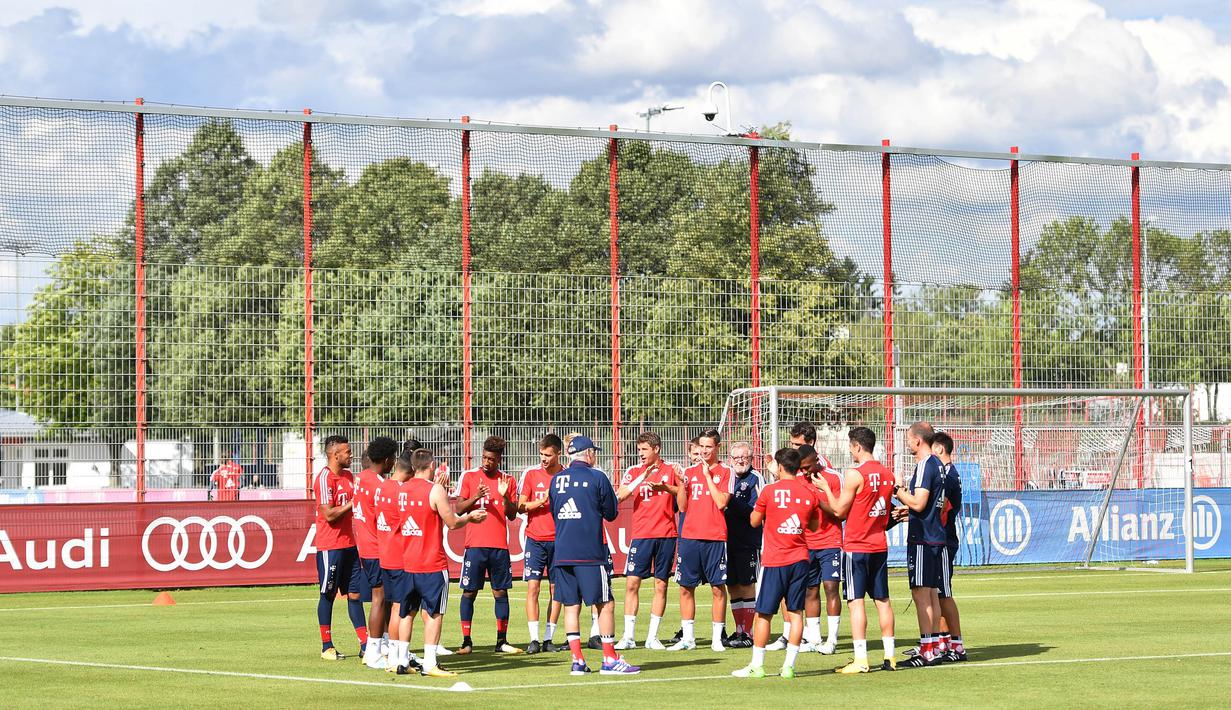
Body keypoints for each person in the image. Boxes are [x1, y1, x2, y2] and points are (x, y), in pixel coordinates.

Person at [549, 435, 639, 675]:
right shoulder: (597, 476)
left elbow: (554, 511)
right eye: (594, 452)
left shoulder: (556, 480)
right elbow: (611, 513)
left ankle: (577, 660)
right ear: (588, 453)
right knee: (605, 603)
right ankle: (609, 658)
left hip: (563, 552)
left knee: (571, 606)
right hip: (589, 553)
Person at [393, 448, 487, 677]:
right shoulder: (435, 490)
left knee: (407, 613)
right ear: (432, 465)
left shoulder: (402, 489)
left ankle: (402, 661)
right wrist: (470, 517)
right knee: (435, 613)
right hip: (431, 564)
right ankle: (430, 663)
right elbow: (453, 522)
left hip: (408, 562)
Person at [731, 448, 819, 679]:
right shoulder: (809, 492)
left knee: (764, 613)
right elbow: (814, 526)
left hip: (775, 559)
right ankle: (789, 666)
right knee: (796, 612)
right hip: (800, 559)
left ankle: (757, 666)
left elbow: (753, 521)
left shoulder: (770, 490)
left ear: (779, 467)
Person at [816, 426, 897, 674]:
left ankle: (861, 659)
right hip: (879, 545)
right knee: (882, 600)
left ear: (857, 446)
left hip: (856, 545)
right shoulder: (888, 474)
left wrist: (824, 490)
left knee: (855, 601)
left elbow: (840, 511)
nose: (850, 450)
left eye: (851, 446)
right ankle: (890, 657)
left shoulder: (855, 474)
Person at [453, 435, 523, 654]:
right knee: (469, 593)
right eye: (484, 457)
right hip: (475, 545)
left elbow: (512, 514)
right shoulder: (470, 477)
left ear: (499, 459)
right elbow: (459, 509)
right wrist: (476, 496)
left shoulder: (508, 481)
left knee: (500, 593)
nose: (486, 462)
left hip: (499, 547)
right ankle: (466, 641)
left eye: (491, 459)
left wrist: (504, 497)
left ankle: (501, 641)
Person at [614, 431, 683, 650]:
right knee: (632, 583)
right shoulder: (634, 471)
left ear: (656, 449)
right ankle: (629, 636)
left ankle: (652, 637)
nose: (641, 454)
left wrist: (666, 488)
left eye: (644, 449)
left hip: (666, 534)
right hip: (641, 535)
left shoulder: (671, 470)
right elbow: (620, 495)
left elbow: (682, 496)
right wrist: (641, 478)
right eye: (639, 450)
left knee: (660, 585)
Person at [670, 428, 732, 652]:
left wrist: (707, 476)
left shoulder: (726, 472)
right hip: (689, 536)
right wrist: (680, 484)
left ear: (717, 447)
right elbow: (683, 506)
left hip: (715, 536)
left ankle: (717, 638)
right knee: (686, 587)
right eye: (701, 447)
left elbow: (721, 503)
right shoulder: (688, 471)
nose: (704, 451)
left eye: (709, 447)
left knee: (717, 587)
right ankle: (688, 638)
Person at [894, 421, 947, 668]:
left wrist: (898, 490)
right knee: (931, 594)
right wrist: (909, 511)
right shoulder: (938, 464)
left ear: (917, 440)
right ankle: (934, 646)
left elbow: (919, 502)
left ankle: (927, 650)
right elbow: (923, 506)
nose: (907, 443)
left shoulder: (926, 464)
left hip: (923, 538)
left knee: (921, 594)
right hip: (934, 534)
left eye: (908, 438)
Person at [313, 435, 367, 661]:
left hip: (349, 545)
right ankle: (327, 646)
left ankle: (366, 644)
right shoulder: (325, 479)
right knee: (328, 593)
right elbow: (329, 514)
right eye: (347, 451)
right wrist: (353, 503)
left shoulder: (348, 476)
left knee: (355, 594)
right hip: (330, 546)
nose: (351, 454)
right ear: (335, 455)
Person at [767, 421, 818, 651]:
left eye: (798, 445)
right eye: (792, 444)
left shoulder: (817, 470)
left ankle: (813, 636)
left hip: (808, 544)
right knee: (791, 601)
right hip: (799, 545)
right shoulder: (794, 477)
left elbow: (756, 519)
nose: (794, 449)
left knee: (812, 592)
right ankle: (789, 639)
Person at [354, 437, 399, 669]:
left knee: (381, 599)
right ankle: (373, 652)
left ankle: (383, 648)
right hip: (377, 548)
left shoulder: (360, 478)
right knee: (380, 599)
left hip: (365, 546)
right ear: (388, 459)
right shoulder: (380, 485)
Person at [519, 433, 566, 654]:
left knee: (556, 589)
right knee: (533, 587)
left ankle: (549, 638)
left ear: (558, 453)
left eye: (548, 455)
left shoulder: (567, 476)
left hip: (560, 540)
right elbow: (520, 506)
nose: (544, 459)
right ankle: (534, 639)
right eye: (541, 454)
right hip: (536, 540)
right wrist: (539, 502)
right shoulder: (531, 475)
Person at [375, 441, 417, 672]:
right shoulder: (402, 492)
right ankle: (399, 656)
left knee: (394, 608)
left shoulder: (382, 487)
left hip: (385, 556)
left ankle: (393, 655)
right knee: (402, 609)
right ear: (410, 471)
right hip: (401, 558)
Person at [798, 444, 844, 655]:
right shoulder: (798, 479)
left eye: (807, 466)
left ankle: (832, 640)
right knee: (810, 590)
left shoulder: (833, 478)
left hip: (830, 542)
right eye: (802, 468)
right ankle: (814, 638)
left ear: (816, 460)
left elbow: (839, 512)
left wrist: (819, 497)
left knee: (831, 588)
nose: (805, 471)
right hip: (806, 543)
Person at [724, 441, 762, 649]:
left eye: (744, 457)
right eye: (736, 457)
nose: (740, 460)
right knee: (732, 585)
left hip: (748, 540)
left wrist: (729, 501)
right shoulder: (727, 477)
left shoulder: (756, 479)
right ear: (730, 459)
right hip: (727, 539)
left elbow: (755, 511)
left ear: (751, 458)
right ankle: (739, 629)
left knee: (747, 585)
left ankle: (749, 632)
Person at [932, 431, 966, 662]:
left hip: (944, 540)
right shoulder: (947, 473)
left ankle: (958, 646)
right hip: (940, 538)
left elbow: (943, 509)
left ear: (940, 449)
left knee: (944, 593)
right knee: (937, 592)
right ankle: (944, 642)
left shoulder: (948, 475)